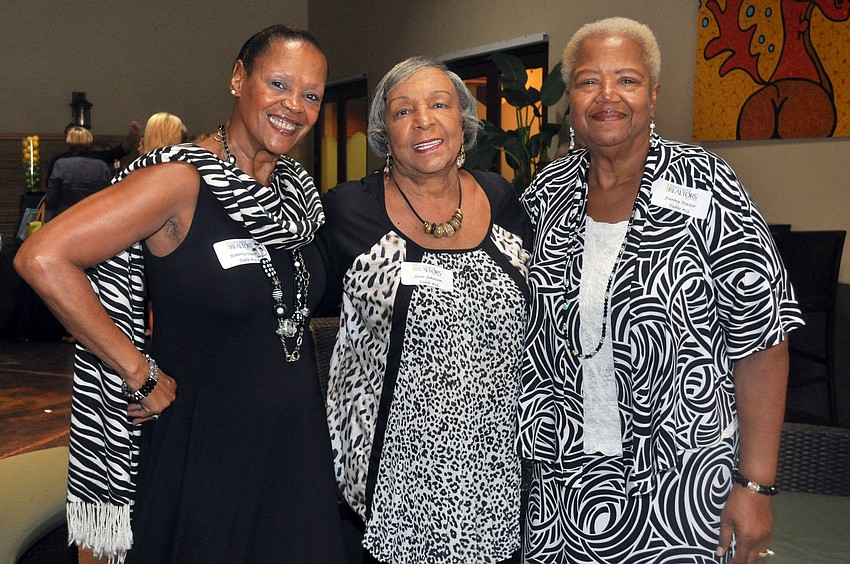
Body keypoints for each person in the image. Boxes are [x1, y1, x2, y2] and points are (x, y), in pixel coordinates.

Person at [15, 24, 345, 563]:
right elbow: (43, 257)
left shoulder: (295, 195)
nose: (295, 106)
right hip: (205, 447)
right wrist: (135, 370)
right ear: (238, 79)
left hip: (293, 440)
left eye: (311, 95)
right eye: (279, 84)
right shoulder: (180, 180)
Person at [518, 17, 803, 564]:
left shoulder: (707, 184)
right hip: (561, 481)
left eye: (626, 79)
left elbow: (764, 341)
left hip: (680, 482)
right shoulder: (545, 195)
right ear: (569, 100)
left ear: (652, 95)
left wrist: (756, 484)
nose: (607, 95)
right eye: (588, 81)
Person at [319, 56, 533, 564]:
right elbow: (283, 297)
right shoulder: (349, 210)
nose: (423, 121)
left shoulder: (502, 199)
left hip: (497, 474)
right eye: (403, 111)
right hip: (386, 482)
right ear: (383, 131)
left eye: (439, 105)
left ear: (463, 119)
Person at [44, 126, 113, 218]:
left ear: (69, 143)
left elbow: (52, 197)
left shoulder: (61, 164)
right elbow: (107, 195)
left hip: (65, 216)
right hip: (94, 216)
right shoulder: (102, 166)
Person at [45, 120, 141, 182]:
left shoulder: (59, 162)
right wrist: (133, 135)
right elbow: (122, 150)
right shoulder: (98, 162)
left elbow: (121, 150)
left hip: (67, 207)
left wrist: (132, 135)